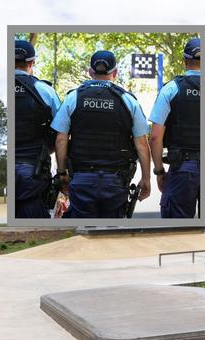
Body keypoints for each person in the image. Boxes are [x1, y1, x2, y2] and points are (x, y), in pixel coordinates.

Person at [51, 50, 151, 218]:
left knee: (81, 236)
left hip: (82, 179)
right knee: (111, 236)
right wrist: (146, 179)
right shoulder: (129, 100)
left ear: (90, 72)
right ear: (115, 73)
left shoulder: (73, 98)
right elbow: (141, 144)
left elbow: (61, 140)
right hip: (116, 181)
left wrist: (62, 174)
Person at [148, 38, 201, 218]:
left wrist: (159, 171)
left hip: (183, 170)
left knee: (177, 233)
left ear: (184, 61)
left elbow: (155, 137)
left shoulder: (171, 89)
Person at [14, 40, 61, 218]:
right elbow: (61, 135)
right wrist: (63, 174)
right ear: (32, 63)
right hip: (33, 172)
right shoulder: (45, 91)